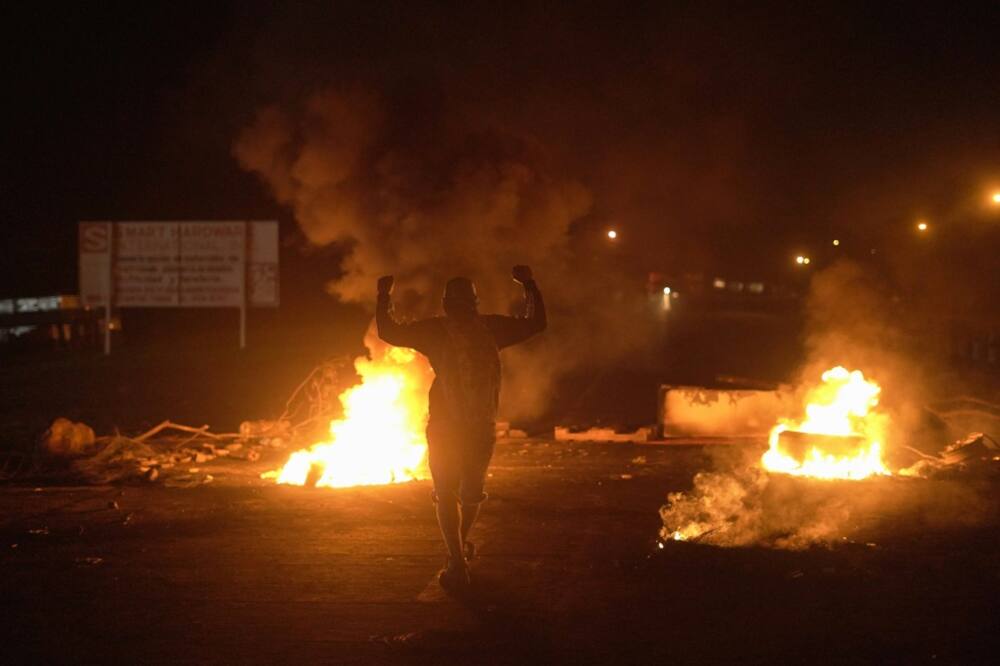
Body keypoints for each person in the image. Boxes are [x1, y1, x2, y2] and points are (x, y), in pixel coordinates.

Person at [376, 266, 546, 591]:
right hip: (479, 425)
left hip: (446, 425)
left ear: (444, 303)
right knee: (468, 494)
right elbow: (537, 323)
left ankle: (456, 559)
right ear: (475, 301)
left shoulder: (435, 331)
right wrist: (529, 286)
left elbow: (390, 332)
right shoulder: (492, 328)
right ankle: (458, 553)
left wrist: (383, 296)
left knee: (447, 494)